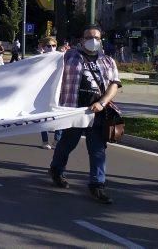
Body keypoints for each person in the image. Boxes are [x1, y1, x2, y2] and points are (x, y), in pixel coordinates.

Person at [49, 25, 121, 205]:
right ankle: (56, 170)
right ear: (81, 40)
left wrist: (102, 102)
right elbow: (47, 69)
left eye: (97, 37)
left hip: (97, 112)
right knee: (67, 143)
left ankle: (97, 185)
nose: (93, 40)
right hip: (74, 110)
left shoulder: (108, 61)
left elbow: (114, 84)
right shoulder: (69, 57)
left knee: (97, 150)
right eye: (89, 37)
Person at [37, 36, 61, 149]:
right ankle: (45, 141)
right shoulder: (39, 58)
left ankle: (57, 140)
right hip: (42, 92)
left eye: (54, 45)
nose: (52, 48)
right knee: (43, 115)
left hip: (58, 90)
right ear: (44, 47)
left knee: (58, 115)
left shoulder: (61, 57)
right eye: (49, 46)